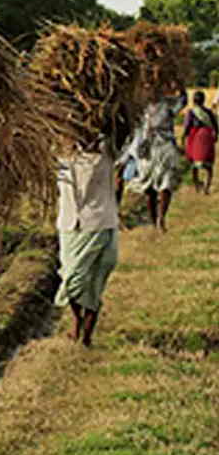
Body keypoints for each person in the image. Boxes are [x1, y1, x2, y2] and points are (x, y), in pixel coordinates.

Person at [55, 115, 130, 348]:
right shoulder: (61, 155)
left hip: (101, 224)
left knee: (95, 284)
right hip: (70, 226)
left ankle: (86, 335)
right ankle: (77, 320)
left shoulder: (107, 150)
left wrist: (114, 113)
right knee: (71, 280)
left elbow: (123, 130)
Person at [133, 86, 187, 231]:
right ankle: (153, 220)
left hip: (165, 148)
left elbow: (183, 101)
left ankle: (161, 218)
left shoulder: (167, 105)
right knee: (149, 188)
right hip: (148, 150)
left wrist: (180, 84)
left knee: (166, 184)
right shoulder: (141, 108)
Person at [182, 90, 218, 193]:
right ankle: (206, 187)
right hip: (207, 137)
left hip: (195, 138)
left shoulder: (191, 112)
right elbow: (215, 126)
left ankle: (197, 186)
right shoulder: (209, 112)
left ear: (193, 101)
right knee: (208, 165)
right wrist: (215, 136)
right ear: (204, 100)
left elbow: (187, 126)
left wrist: (184, 137)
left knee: (195, 165)